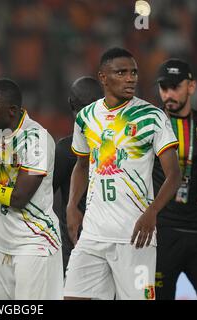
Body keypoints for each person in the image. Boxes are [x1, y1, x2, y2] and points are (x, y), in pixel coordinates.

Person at [64, 47, 181, 300]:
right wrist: (72, 205)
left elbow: (174, 176)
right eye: (122, 72)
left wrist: (152, 212)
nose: (131, 78)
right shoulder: (86, 117)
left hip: (135, 237)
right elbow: (81, 165)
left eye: (134, 72)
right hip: (92, 235)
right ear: (103, 77)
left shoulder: (153, 116)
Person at [0, 78, 64, 300]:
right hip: (1, 245)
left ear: (12, 112)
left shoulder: (36, 139)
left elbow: (19, 198)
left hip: (34, 243)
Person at [153, 59, 197, 300]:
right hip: (162, 232)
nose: (168, 93)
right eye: (164, 87)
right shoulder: (150, 125)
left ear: (191, 87)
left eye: (175, 87)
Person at [53, 76, 103, 274]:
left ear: (70, 104)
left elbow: (41, 199)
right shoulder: (123, 144)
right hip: (112, 244)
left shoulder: (66, 150)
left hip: (75, 249)